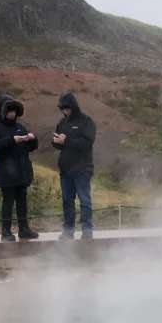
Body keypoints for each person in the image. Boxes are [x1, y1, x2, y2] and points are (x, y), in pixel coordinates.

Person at [0, 94, 40, 241]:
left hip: (21, 171)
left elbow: (30, 148)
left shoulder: (20, 127)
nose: (12, 113)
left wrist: (33, 140)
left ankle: (24, 229)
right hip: (5, 172)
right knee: (8, 201)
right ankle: (6, 232)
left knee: (22, 201)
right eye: (9, 111)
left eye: (14, 111)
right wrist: (11, 140)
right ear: (2, 111)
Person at [52, 92, 96, 239]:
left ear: (74, 107)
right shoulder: (62, 123)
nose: (65, 111)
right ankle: (68, 230)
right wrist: (56, 142)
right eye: (63, 109)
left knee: (84, 200)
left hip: (82, 169)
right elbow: (58, 144)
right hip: (66, 170)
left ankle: (87, 230)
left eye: (67, 108)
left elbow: (87, 143)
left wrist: (66, 141)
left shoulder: (86, 122)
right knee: (67, 201)